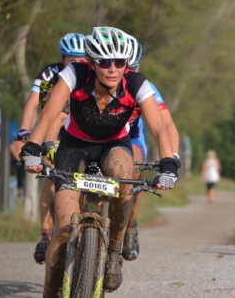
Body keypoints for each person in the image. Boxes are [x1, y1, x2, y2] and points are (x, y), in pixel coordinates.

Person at [20, 26, 178, 297]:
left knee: (123, 175)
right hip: (74, 146)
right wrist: (32, 148)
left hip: (114, 144)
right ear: (92, 63)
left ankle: (115, 250)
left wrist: (169, 165)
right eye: (105, 63)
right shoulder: (74, 74)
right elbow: (48, 113)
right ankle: (49, 292)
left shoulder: (137, 83)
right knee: (64, 228)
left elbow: (160, 128)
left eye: (119, 63)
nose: (113, 69)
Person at [9, 33, 87, 264]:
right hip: (54, 129)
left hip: (81, 130)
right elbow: (34, 102)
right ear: (63, 59)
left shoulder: (94, 75)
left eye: (83, 60)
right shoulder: (51, 74)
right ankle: (45, 236)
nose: (79, 64)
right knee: (52, 178)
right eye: (73, 61)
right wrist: (24, 132)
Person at [122, 36, 180, 261]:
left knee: (134, 173)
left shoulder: (145, 87)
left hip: (131, 138)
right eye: (121, 65)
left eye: (132, 67)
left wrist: (171, 159)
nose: (125, 72)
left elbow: (165, 124)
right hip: (97, 139)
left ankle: (131, 227)